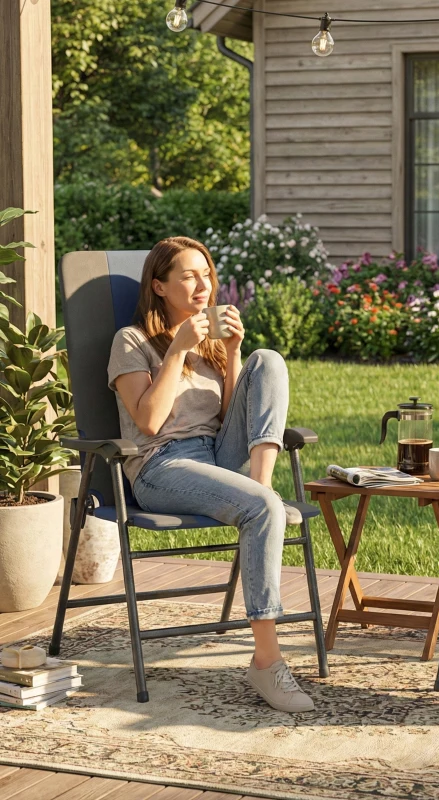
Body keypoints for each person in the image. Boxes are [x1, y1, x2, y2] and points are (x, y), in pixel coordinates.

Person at [107, 236, 314, 713]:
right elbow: (149, 422)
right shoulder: (131, 341)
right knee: (262, 511)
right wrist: (179, 348)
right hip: (162, 466)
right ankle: (266, 659)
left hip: (217, 457)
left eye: (207, 275)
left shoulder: (212, 342)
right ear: (159, 285)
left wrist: (233, 351)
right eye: (188, 276)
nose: (203, 285)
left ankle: (260, 492)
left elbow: (227, 418)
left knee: (270, 360)